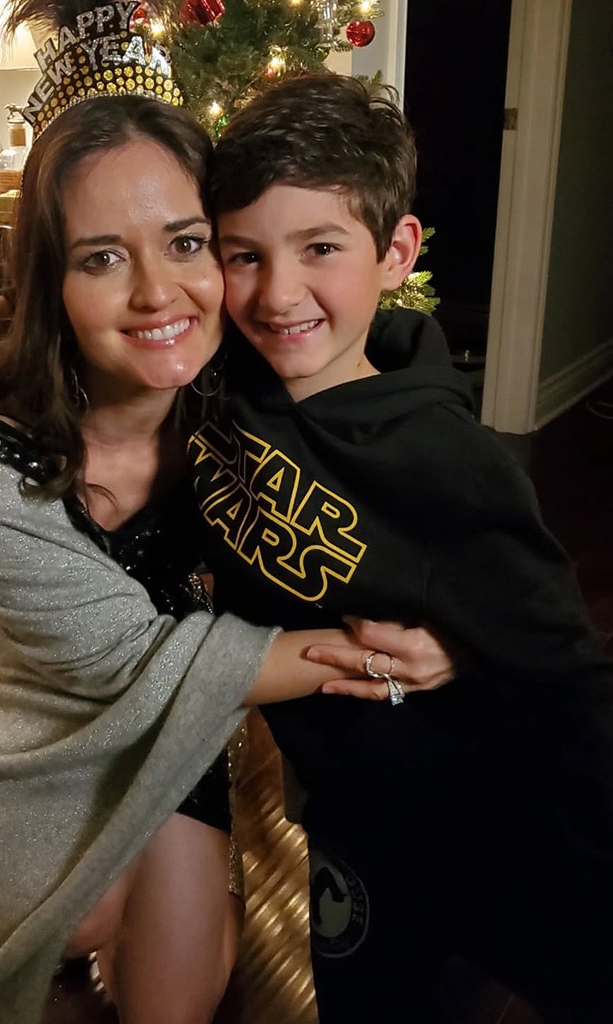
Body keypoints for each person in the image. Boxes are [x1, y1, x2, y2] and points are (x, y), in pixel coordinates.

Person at [0, 29, 455, 1024]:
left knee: (178, 1001)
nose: (157, 293)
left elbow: (366, 325)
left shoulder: (239, 371)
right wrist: (374, 656)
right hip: (24, 721)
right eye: (101, 257)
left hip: (180, 712)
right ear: (51, 278)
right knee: (50, 934)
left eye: (186, 243)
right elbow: (120, 657)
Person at [181, 73, 613, 1024]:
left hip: (476, 816)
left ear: (396, 252)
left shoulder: (452, 467)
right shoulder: (217, 373)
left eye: (320, 248)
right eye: (244, 255)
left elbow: (562, 673)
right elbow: (111, 306)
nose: (278, 293)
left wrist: (470, 649)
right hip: (351, 816)